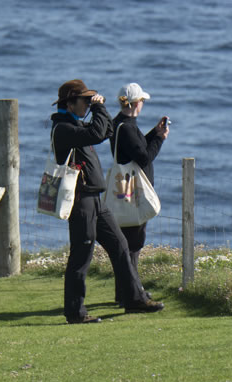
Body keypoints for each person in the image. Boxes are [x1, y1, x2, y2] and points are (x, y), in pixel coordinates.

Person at [50, 79, 165, 324]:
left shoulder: (73, 125)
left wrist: (96, 110)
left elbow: (106, 131)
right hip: (81, 201)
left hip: (96, 200)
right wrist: (100, 107)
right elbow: (97, 133)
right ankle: (75, 313)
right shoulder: (63, 129)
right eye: (84, 100)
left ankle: (134, 299)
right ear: (70, 103)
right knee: (81, 255)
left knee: (120, 245)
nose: (87, 104)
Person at [111, 82, 169, 305]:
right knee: (134, 241)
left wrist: (153, 133)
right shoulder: (127, 127)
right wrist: (159, 139)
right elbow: (144, 156)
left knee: (129, 239)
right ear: (136, 104)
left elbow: (136, 146)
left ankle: (127, 290)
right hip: (134, 191)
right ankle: (132, 293)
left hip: (124, 188)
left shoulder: (120, 124)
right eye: (142, 101)